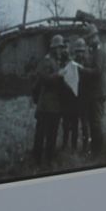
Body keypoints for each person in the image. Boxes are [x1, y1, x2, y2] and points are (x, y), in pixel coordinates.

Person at [32, 34, 71, 166]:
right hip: (45, 106)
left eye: (62, 47)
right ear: (53, 48)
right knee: (41, 134)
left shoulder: (56, 61)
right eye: (59, 47)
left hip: (55, 105)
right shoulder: (47, 61)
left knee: (52, 133)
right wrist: (58, 75)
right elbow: (43, 78)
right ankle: (37, 159)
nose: (61, 50)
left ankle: (49, 159)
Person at [79, 24, 106, 156]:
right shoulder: (94, 51)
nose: (88, 41)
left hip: (98, 93)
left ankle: (98, 152)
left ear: (94, 37)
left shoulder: (99, 52)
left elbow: (97, 71)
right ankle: (95, 150)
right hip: (94, 93)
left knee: (96, 123)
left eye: (89, 38)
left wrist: (82, 69)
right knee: (93, 122)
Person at [66, 37, 89, 151]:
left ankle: (85, 147)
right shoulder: (71, 64)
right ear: (75, 52)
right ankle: (74, 147)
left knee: (85, 124)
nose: (80, 54)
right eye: (78, 51)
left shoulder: (88, 63)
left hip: (84, 99)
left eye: (81, 51)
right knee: (74, 125)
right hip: (74, 99)